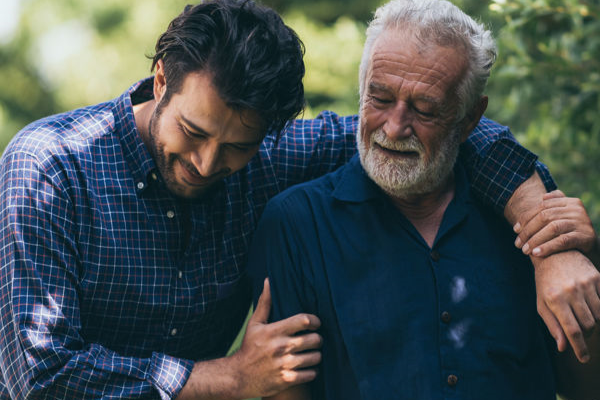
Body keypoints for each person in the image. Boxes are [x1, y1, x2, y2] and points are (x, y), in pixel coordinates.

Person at [0, 0, 597, 399]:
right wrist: (229, 377)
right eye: (193, 132)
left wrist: (547, 240)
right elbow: (38, 373)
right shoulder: (50, 165)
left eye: (235, 147)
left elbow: (458, 135)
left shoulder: (272, 156)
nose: (208, 165)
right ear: (161, 81)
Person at [247, 1, 600, 399]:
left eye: (425, 110)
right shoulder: (296, 223)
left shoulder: (529, 218)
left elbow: (584, 386)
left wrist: (579, 265)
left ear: (470, 119)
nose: (395, 128)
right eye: (379, 99)